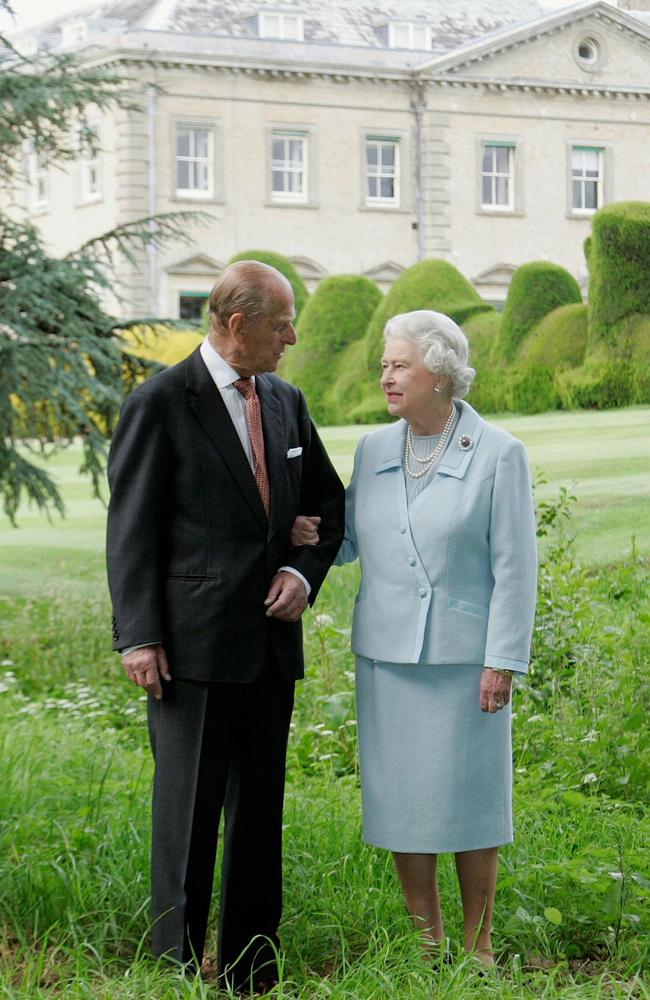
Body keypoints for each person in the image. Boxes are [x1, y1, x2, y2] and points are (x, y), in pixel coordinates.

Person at [106, 260, 345, 992]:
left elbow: (326, 509)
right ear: (236, 325)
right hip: (190, 650)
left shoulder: (285, 398)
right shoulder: (160, 401)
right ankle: (174, 971)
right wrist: (138, 635)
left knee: (258, 816)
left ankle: (250, 971)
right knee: (187, 819)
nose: (293, 337)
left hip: (270, 649)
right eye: (281, 325)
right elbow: (131, 529)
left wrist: (301, 570)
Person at [293, 310, 537, 967]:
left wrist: (503, 661)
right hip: (387, 656)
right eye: (384, 364)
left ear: (441, 374)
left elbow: (516, 567)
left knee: (472, 803)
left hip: (466, 661)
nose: (386, 375)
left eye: (399, 364)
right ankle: (425, 943)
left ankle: (478, 945)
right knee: (402, 803)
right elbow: (349, 542)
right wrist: (304, 535)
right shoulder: (373, 449)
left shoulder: (500, 453)